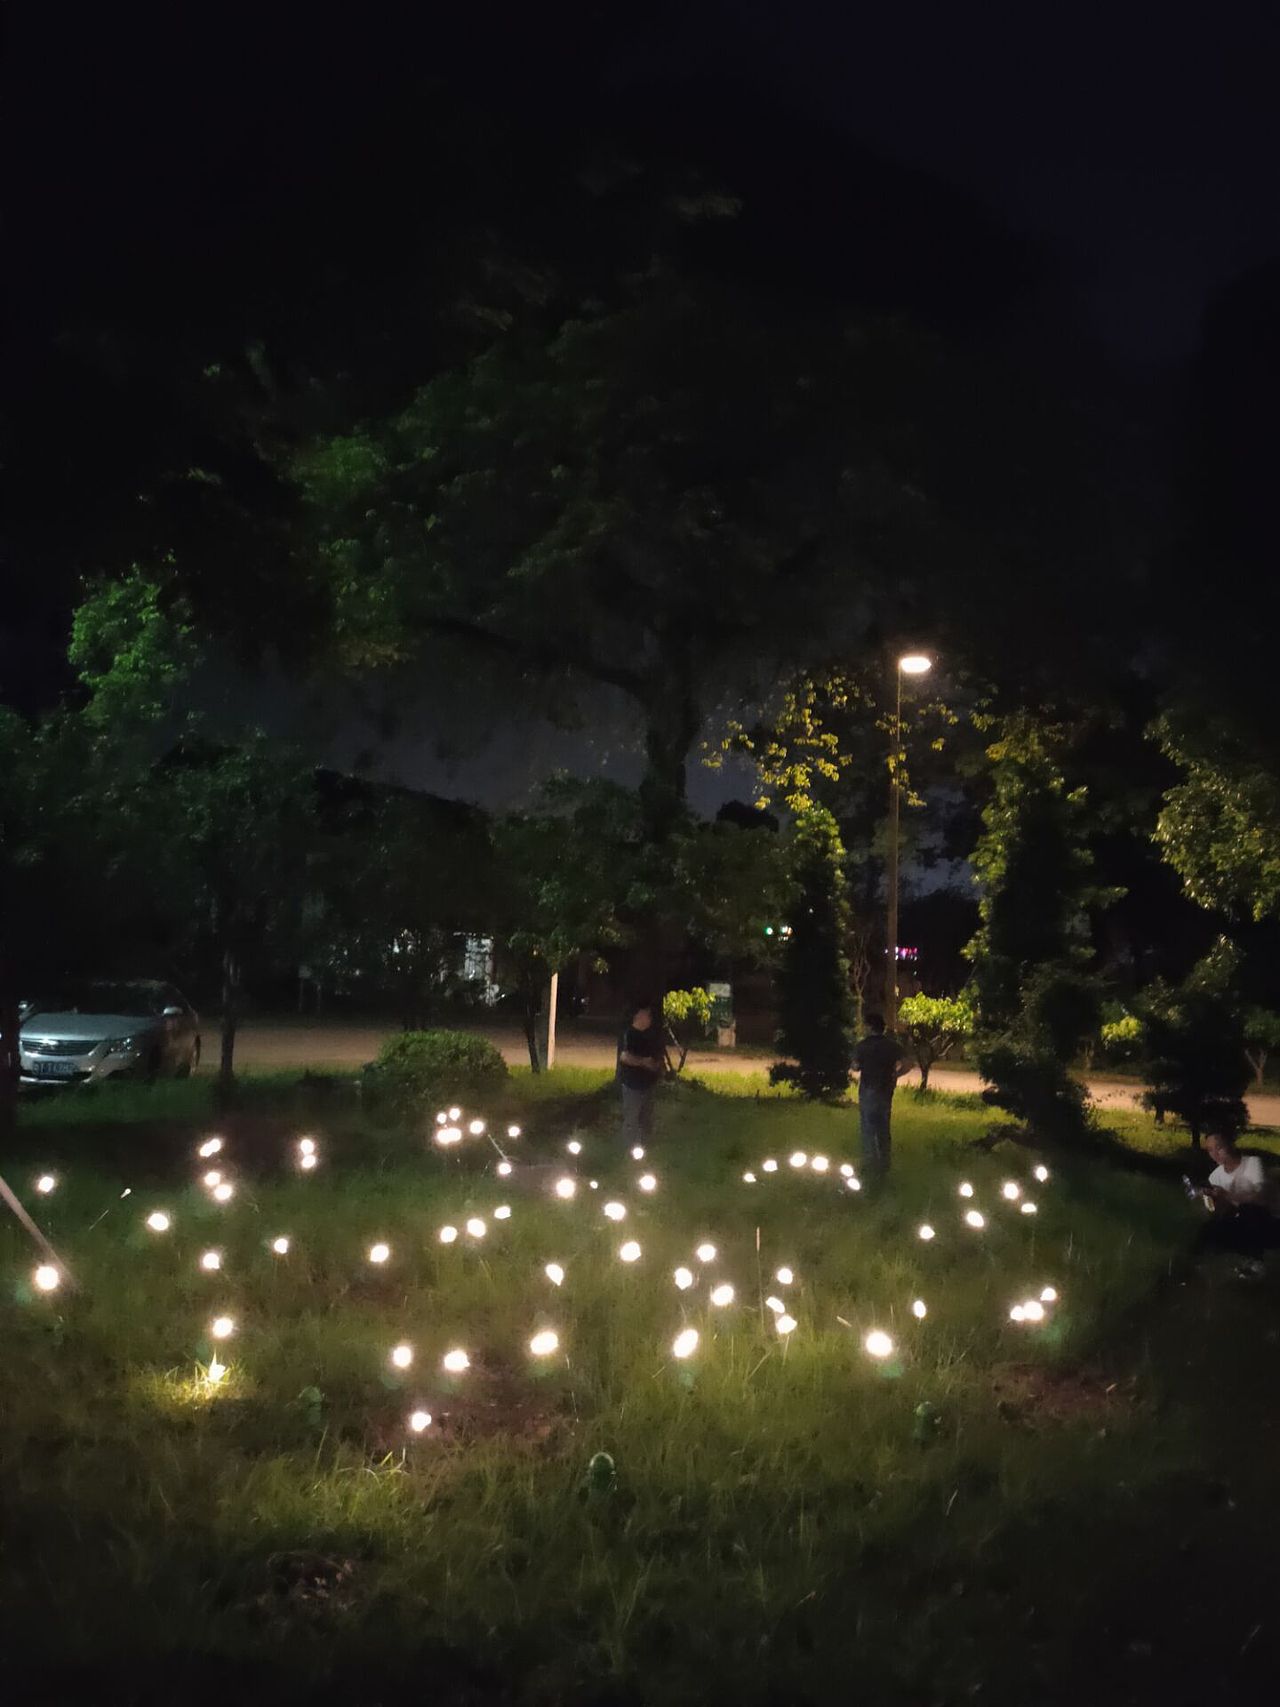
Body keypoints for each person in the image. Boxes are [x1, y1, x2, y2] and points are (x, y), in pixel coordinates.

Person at [1195, 1131, 1278, 1261]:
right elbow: (1223, 1211)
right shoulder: (1215, 1176)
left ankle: (1255, 1259)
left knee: (1249, 1210)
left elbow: (1261, 1199)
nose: (1215, 1154)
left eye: (1219, 1148)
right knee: (1208, 1228)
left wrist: (1226, 1194)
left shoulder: (1253, 1163)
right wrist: (1210, 1200)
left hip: (1269, 1221)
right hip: (1243, 1222)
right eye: (1210, 1150)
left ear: (1231, 1145)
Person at [852, 1012, 907, 1175]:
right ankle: (884, 1163)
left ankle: (869, 1164)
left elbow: (855, 1066)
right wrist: (896, 1074)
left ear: (869, 1027)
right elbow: (908, 1063)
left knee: (868, 1128)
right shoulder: (892, 1046)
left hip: (868, 1090)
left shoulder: (862, 1046)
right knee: (883, 1128)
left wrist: (858, 1065)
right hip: (885, 1091)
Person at [617, 1001, 665, 1147]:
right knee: (631, 1119)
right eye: (646, 1014)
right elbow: (625, 1057)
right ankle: (629, 1148)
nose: (649, 1017)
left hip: (648, 1084)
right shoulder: (629, 1034)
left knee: (647, 1119)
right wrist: (643, 1062)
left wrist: (656, 1067)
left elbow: (657, 1059)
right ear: (638, 1016)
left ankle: (645, 1147)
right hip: (632, 1084)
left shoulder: (653, 1035)